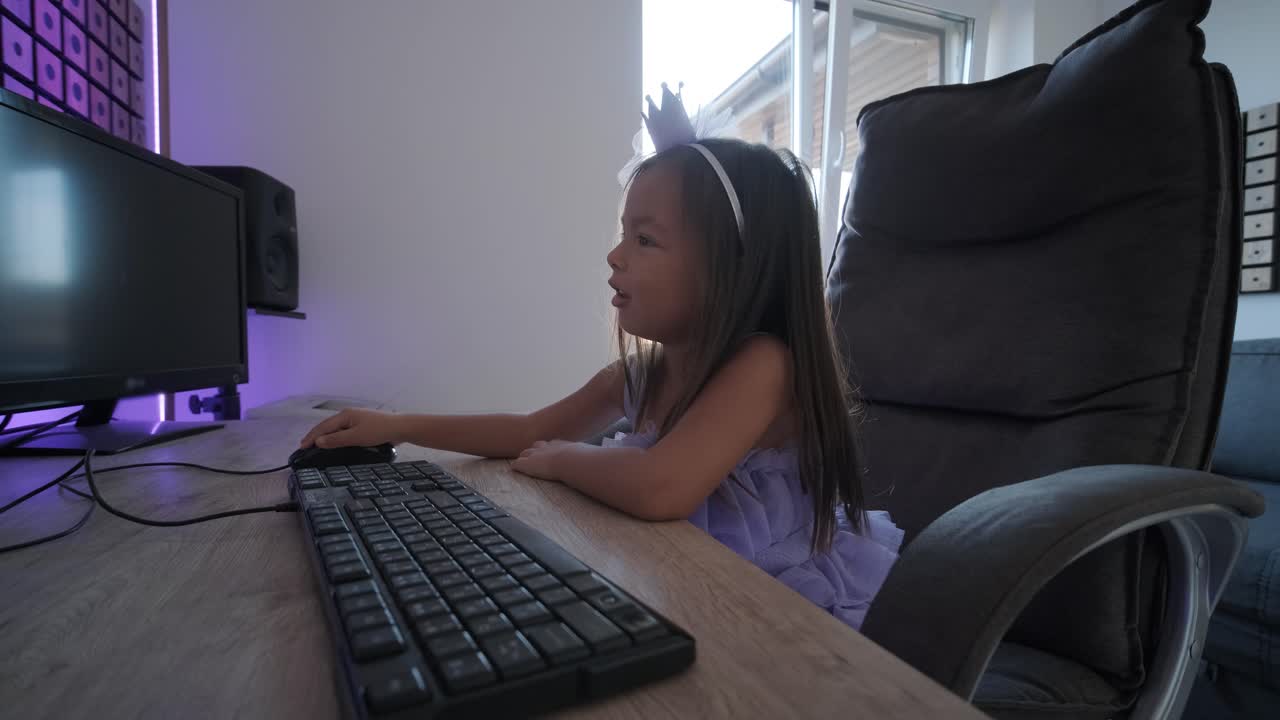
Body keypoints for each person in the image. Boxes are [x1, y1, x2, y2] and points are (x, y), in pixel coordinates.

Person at [300, 84, 902, 629]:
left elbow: (662, 487)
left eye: (644, 239)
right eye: (622, 233)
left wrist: (566, 459)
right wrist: (398, 426)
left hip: (770, 602)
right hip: (680, 580)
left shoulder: (765, 365)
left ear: (732, 265)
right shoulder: (645, 374)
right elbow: (529, 429)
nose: (615, 256)